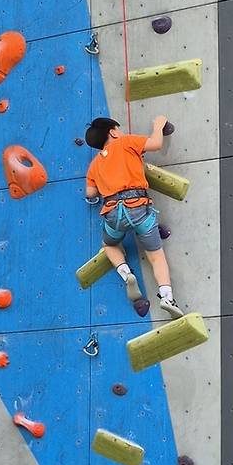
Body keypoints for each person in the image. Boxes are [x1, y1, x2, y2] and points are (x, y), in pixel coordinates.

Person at [84, 115, 184, 318]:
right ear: (113, 132)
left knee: (110, 245)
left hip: (113, 213)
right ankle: (166, 297)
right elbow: (155, 143)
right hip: (139, 208)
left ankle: (126, 273)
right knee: (156, 257)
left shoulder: (94, 165)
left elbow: (90, 193)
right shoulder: (126, 142)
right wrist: (158, 125)